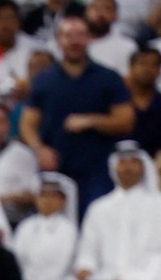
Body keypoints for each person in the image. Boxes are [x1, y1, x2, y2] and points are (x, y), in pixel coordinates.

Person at [20, 15, 134, 214]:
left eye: (80, 35)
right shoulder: (44, 81)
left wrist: (91, 121)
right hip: (56, 170)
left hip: (98, 171)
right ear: (58, 40)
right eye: (67, 36)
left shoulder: (109, 78)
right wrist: (39, 149)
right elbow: (27, 123)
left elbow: (126, 121)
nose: (74, 41)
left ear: (89, 38)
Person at [73, 140, 161, 280]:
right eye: (122, 162)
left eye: (133, 162)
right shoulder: (99, 208)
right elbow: (88, 251)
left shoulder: (157, 205)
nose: (127, 168)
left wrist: (147, 278)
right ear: (114, 166)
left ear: (143, 166)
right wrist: (85, 267)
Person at [11, 173, 78, 280]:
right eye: (43, 195)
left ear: (63, 201)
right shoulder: (25, 227)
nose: (47, 200)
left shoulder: (68, 229)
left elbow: (62, 264)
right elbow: (17, 259)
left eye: (53, 196)